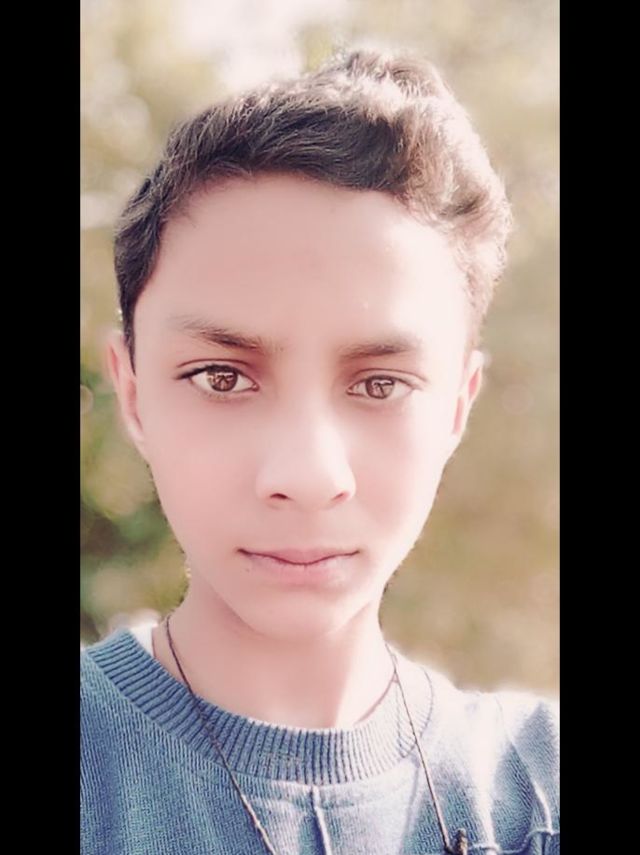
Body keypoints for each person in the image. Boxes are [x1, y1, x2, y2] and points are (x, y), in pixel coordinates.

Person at [81, 46, 559, 855]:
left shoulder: (534, 797)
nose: (305, 476)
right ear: (132, 394)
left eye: (380, 384)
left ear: (456, 406)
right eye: (222, 377)